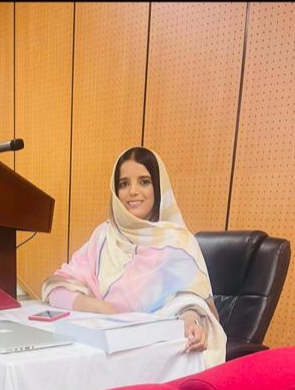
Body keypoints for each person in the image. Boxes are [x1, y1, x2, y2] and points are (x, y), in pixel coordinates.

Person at [42, 147, 226, 367]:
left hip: (155, 355)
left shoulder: (178, 243)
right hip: (102, 349)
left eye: (144, 182)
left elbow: (191, 301)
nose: (133, 192)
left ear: (158, 187)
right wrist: (101, 308)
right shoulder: (104, 236)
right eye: (124, 184)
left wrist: (191, 321)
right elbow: (56, 289)